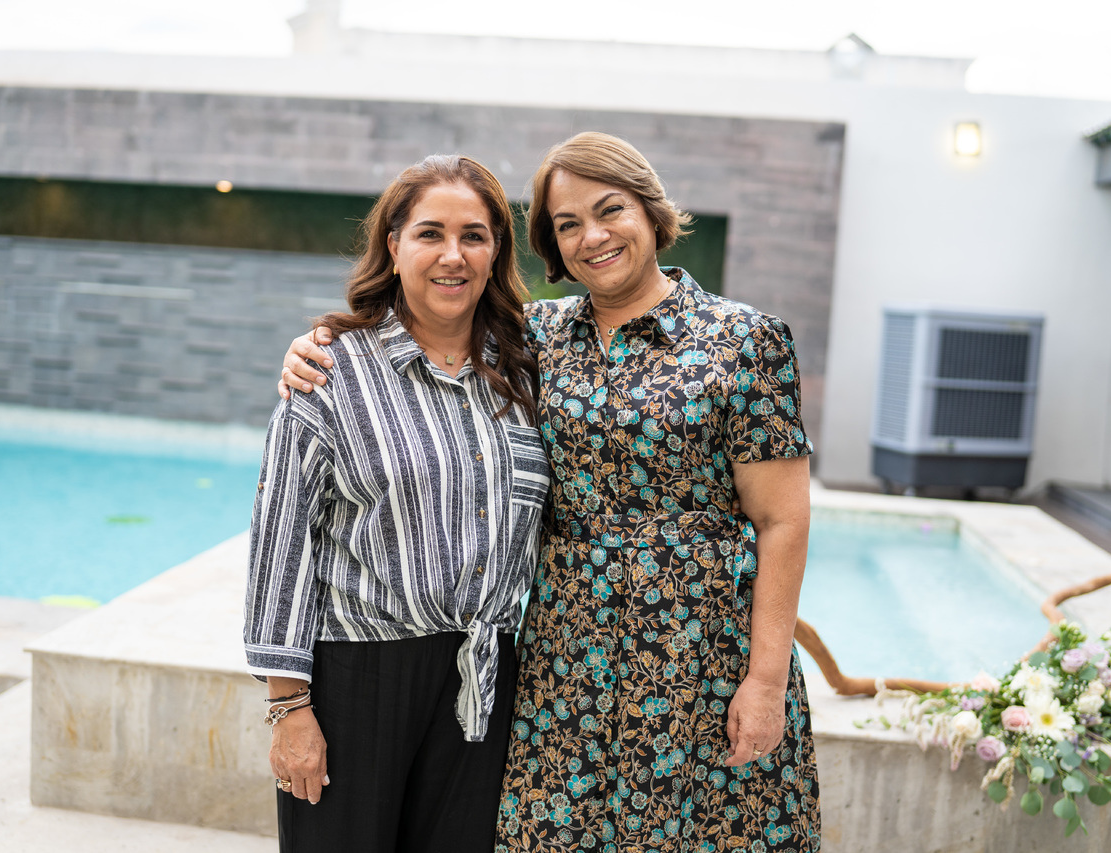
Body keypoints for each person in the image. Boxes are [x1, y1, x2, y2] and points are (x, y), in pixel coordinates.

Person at [279, 132, 820, 852]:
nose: (592, 236)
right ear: (552, 245)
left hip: (700, 654)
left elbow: (783, 519)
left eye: (611, 210)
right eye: (568, 224)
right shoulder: (532, 339)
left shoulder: (745, 341)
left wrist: (766, 679)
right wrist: (325, 343)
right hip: (565, 663)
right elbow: (427, 335)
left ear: (651, 212)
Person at [245, 154, 551, 853]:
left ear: (496, 251)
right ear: (393, 245)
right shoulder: (330, 371)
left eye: (474, 236)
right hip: (357, 678)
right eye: (430, 233)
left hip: (482, 678)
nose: (453, 255)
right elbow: (281, 545)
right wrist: (289, 708)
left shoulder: (524, 371)